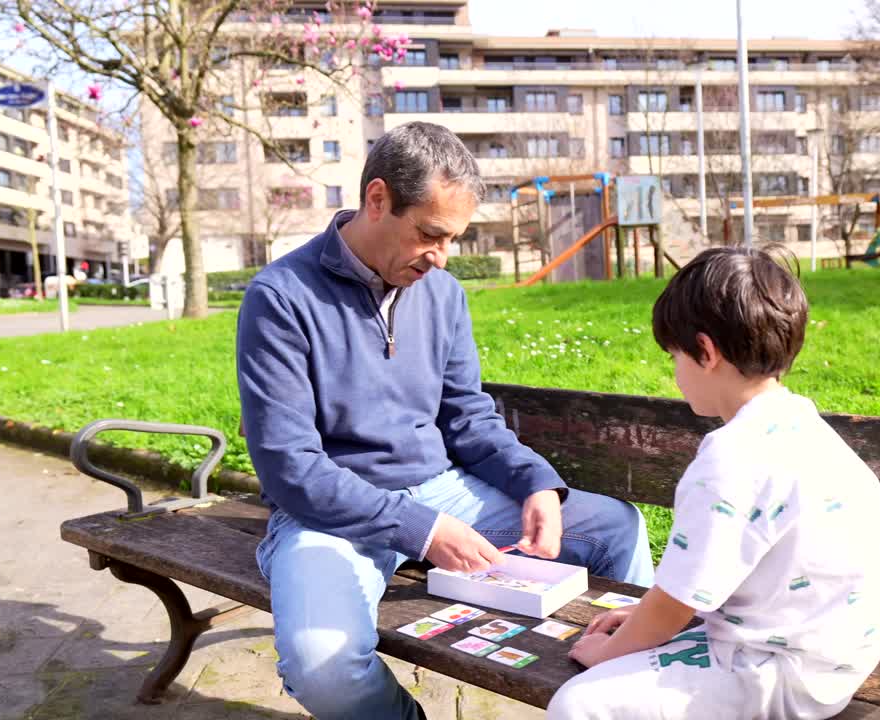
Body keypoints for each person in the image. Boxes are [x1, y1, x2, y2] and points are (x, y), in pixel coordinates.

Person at [235, 121, 653, 720]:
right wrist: (421, 530)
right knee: (322, 668)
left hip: (443, 493)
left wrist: (535, 483)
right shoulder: (280, 298)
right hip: (329, 516)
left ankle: (628, 700)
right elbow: (289, 468)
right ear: (376, 199)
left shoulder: (442, 293)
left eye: (453, 238)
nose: (442, 257)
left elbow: (467, 417)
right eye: (430, 234)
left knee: (617, 527)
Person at [548, 247, 880, 720]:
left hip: (774, 673)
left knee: (578, 703)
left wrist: (608, 656)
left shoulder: (731, 458)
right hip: (833, 654)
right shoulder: (802, 425)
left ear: (706, 351)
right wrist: (644, 621)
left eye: (674, 355)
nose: (674, 373)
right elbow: (708, 585)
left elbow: (674, 602)